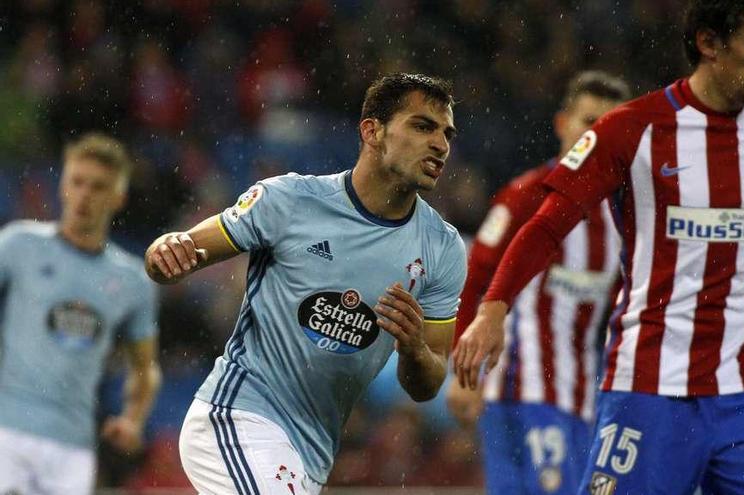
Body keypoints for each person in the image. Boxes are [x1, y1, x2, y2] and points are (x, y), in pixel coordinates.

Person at [454, 1, 744, 494]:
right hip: (648, 390)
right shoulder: (632, 130)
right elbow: (547, 226)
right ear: (709, 43)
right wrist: (493, 310)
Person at [145, 73, 466, 494]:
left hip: (310, 452)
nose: (441, 144)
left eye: (447, 133)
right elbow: (181, 253)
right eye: (423, 126)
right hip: (239, 416)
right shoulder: (290, 201)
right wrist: (164, 251)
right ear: (372, 131)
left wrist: (413, 348)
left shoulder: (442, 248)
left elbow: (427, 383)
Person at [446, 70, 630, 495]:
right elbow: (474, 280)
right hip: (515, 389)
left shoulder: (627, 212)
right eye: (589, 122)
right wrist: (462, 372)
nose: (599, 135)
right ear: (562, 124)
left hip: (580, 399)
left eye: (610, 125)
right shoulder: (525, 196)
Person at [0, 133, 162, 495]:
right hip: (5, 432)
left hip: (73, 447)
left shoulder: (132, 280)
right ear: (62, 186)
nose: (85, 195)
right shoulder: (17, 245)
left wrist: (133, 419)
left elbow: (145, 367)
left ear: (118, 197)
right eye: (77, 182)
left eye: (98, 186)